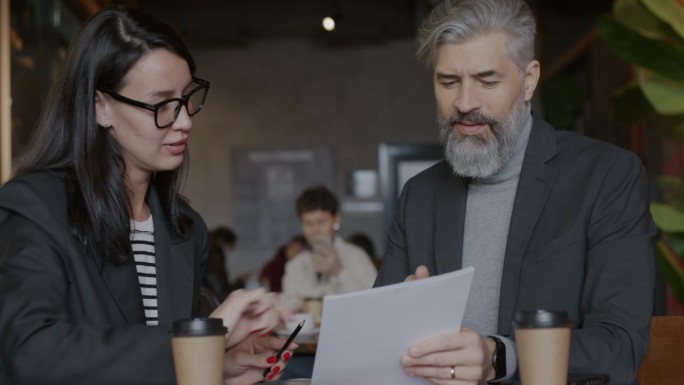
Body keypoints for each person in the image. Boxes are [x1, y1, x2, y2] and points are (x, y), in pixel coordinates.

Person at [0, 7, 292, 385]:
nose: (184, 120)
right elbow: (30, 354)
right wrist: (202, 339)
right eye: (161, 105)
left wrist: (214, 368)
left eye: (187, 98)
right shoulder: (34, 209)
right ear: (100, 106)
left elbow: (153, 364)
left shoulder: (185, 229)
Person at [374, 1, 656, 384]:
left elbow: (620, 345)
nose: (465, 103)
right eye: (448, 81)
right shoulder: (419, 196)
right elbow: (377, 352)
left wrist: (500, 356)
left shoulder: (606, 177)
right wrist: (395, 322)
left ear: (528, 80)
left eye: (487, 81)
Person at [281, 185, 378, 311]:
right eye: (308, 224)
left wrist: (338, 270)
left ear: (336, 219)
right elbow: (289, 306)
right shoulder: (295, 265)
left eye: (321, 222)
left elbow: (374, 303)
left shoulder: (356, 256)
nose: (316, 231)